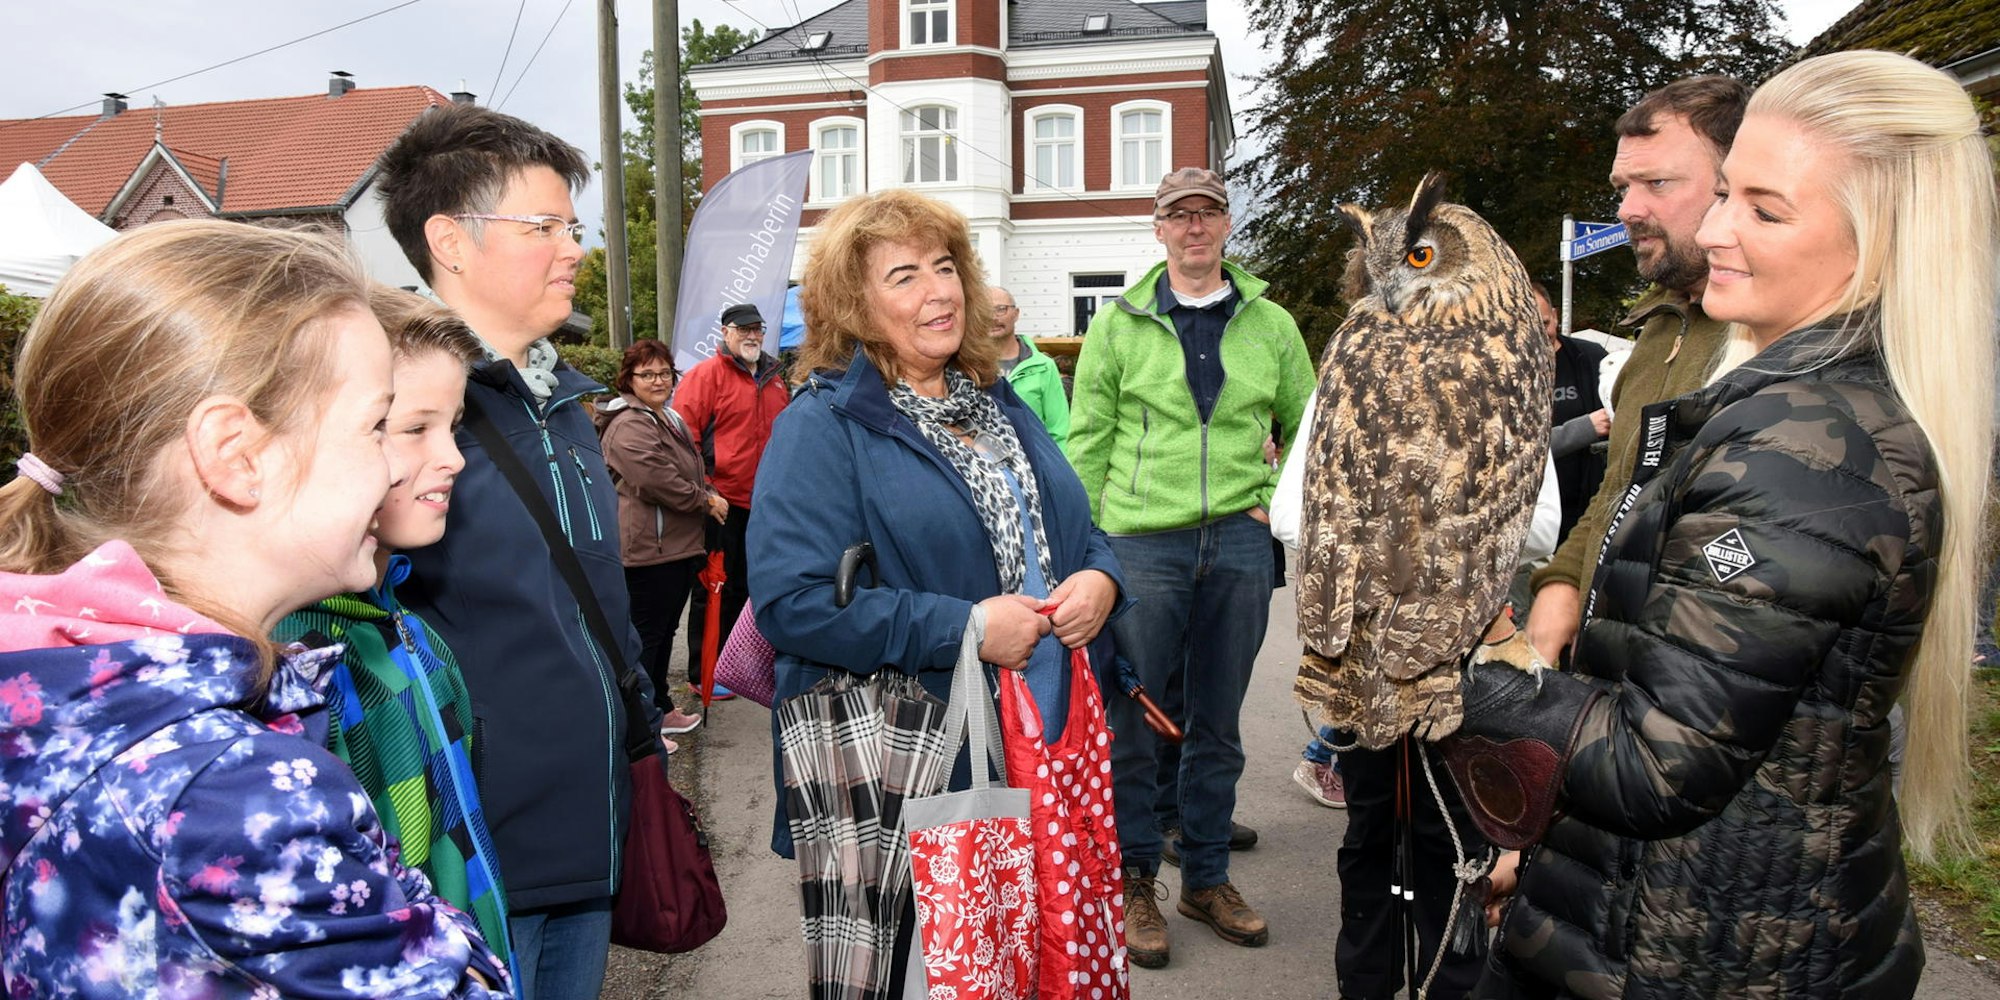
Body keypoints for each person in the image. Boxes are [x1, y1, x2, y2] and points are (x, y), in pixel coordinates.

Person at [1461, 50, 1994, 998]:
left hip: (1701, 946)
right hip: (1680, 908)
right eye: (1725, 197)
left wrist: (1461, 653)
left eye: (1765, 208)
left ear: (1880, 242)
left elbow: (1653, 767)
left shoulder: (1803, 453)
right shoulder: (1798, 406)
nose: (1715, 229)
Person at [0, 221, 507, 997]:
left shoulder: (57, 685)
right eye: (377, 426)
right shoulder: (231, 799)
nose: (394, 465)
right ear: (236, 456)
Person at [748, 188, 1124, 994]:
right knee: (938, 968)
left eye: (946, 267)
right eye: (906, 275)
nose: (940, 291)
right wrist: (963, 627)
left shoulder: (996, 404)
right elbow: (792, 602)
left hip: (1047, 735)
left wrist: (1103, 575)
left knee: (1035, 957)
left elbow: (1067, 526)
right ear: (855, 303)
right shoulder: (821, 425)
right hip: (919, 756)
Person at [375, 102, 658, 1000]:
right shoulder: (393, 409)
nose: (573, 248)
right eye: (544, 226)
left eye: (571, 226)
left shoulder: (567, 403)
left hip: (589, 824)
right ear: (449, 242)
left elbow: (594, 602)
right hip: (471, 848)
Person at [1066, 165, 1314, 967]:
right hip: (1143, 543)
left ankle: (1205, 877)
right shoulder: (1120, 323)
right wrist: (1088, 544)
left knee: (1218, 722)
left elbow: (1311, 428)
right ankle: (1138, 881)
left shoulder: (1270, 322)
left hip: (1239, 544)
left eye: (1209, 213)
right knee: (1132, 722)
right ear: (1160, 229)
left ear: (1227, 226)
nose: (1196, 227)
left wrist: (1272, 498)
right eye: (1181, 216)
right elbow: (1089, 439)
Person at [274, 288, 515, 979]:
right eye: (412, 428)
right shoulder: (302, 666)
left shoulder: (412, 633)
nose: (455, 458)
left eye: (454, 426)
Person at [1524, 75, 1746, 667]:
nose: (1627, 210)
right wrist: (1562, 584)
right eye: (1624, 186)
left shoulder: (1772, 339)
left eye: (1657, 183)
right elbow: (1619, 488)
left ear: (1738, 185)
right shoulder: (1657, 330)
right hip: (1613, 662)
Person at [596, 340, 720, 739]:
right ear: (628, 379)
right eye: (647, 374)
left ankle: (660, 708)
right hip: (649, 551)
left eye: (664, 372)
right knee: (646, 639)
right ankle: (643, 727)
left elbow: (685, 466)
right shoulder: (629, 424)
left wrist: (706, 490)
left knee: (663, 633)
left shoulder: (665, 417)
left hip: (675, 548)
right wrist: (705, 501)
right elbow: (657, 479)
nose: (658, 380)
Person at [673, 303, 789, 699]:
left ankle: (738, 664)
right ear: (726, 333)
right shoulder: (706, 375)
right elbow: (682, 437)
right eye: (743, 329)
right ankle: (703, 672)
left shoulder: (775, 378)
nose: (751, 335)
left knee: (748, 586)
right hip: (720, 503)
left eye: (757, 328)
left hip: (764, 503)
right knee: (713, 589)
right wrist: (706, 491)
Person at [1533, 281, 1608, 545]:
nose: (1540, 335)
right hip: (1539, 519)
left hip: (1592, 508)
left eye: (1543, 324)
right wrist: (1585, 428)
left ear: (1554, 315)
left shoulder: (1591, 358)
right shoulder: (1504, 375)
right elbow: (1517, 453)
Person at [988, 286, 1071, 446]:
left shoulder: (1043, 367)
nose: (993, 317)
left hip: (1034, 465)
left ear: (1016, 314)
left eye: (1001, 309)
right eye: (985, 310)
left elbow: (1059, 430)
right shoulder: (968, 366)